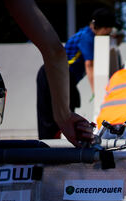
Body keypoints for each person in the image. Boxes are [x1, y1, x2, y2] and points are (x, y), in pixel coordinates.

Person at [1, 0, 94, 147]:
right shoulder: (88, 37)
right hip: (58, 73)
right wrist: (63, 116)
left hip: (54, 73)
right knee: (51, 133)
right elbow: (56, 52)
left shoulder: (83, 34)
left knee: (47, 131)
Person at [37, 7, 116, 141]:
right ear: (103, 27)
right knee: (52, 119)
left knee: (62, 115)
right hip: (55, 75)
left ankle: (56, 150)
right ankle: (49, 153)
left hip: (60, 76)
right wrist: (96, 92)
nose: (110, 32)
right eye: (109, 29)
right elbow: (89, 64)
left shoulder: (85, 34)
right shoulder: (88, 37)